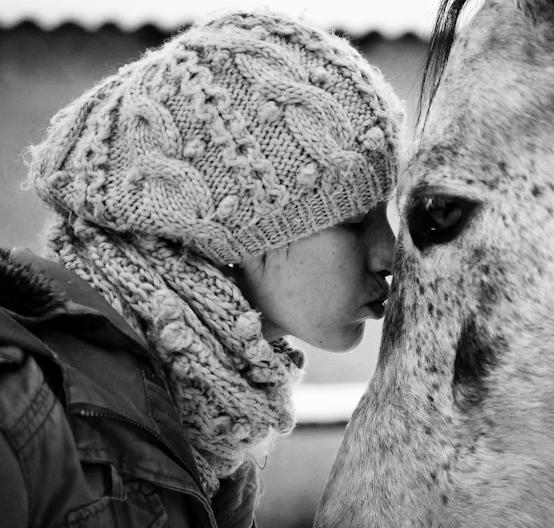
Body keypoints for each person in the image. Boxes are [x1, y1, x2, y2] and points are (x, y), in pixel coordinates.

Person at [0, 9, 403, 528]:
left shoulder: (213, 450)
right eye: (351, 220)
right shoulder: (20, 414)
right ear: (221, 228)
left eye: (386, 214)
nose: (391, 254)